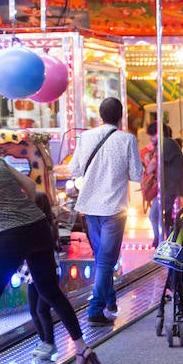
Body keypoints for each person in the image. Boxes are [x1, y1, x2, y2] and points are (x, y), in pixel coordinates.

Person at [0, 132, 100, 364]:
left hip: (11, 234)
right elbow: (30, 188)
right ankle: (82, 349)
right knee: (51, 293)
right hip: (38, 226)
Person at [69, 97, 142, 326]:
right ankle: (95, 310)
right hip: (114, 208)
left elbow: (74, 169)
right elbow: (136, 175)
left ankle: (110, 301)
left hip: (89, 208)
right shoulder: (127, 139)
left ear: (100, 116)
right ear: (121, 116)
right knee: (105, 261)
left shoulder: (86, 137)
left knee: (103, 258)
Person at [27, 191, 59, 360]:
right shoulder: (36, 225)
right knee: (33, 310)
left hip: (45, 273)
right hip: (31, 275)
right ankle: (44, 342)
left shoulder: (45, 226)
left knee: (41, 309)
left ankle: (49, 342)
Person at [146, 121, 183, 247]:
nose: (150, 139)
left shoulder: (166, 144)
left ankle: (159, 241)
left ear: (157, 133)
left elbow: (151, 165)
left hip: (169, 187)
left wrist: (148, 166)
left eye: (151, 135)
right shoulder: (169, 143)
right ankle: (172, 241)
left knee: (154, 215)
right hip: (169, 186)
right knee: (167, 217)